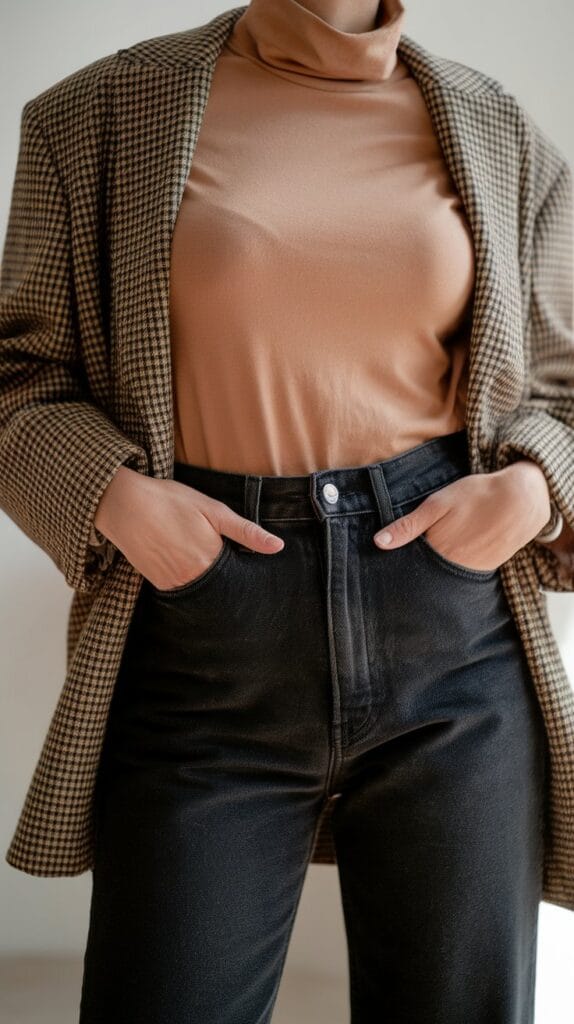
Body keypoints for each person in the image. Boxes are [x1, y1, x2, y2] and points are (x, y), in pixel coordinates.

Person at [1, 2, 573, 1022]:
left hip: (452, 634)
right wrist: (115, 497)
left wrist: (532, 486)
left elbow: (561, 385)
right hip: (204, 632)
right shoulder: (97, 113)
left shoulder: (496, 127)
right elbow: (17, 373)